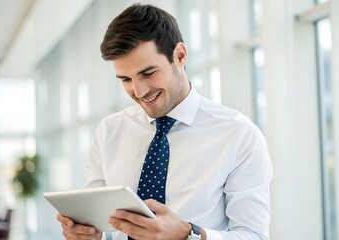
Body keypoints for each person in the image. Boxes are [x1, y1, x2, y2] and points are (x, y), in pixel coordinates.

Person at [57, 3, 272, 240]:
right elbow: (96, 222)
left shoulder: (238, 134)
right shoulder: (109, 132)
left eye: (148, 73)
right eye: (126, 79)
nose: (139, 91)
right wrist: (84, 234)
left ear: (179, 55)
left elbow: (254, 235)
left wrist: (187, 234)